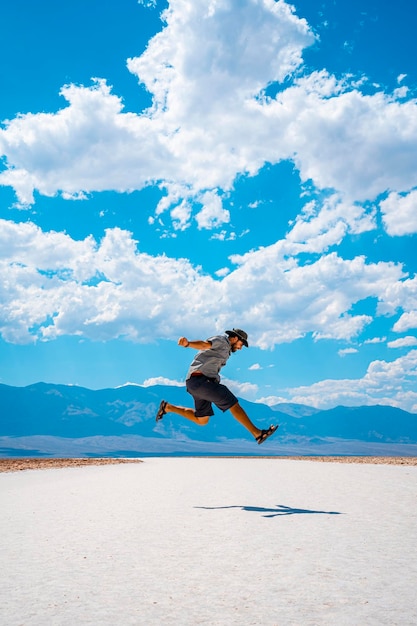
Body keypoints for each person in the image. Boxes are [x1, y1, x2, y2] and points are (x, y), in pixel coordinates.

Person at [156, 328, 278, 445]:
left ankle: (168, 407)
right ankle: (257, 434)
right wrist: (188, 344)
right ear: (235, 338)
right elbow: (205, 345)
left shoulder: (226, 351)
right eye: (241, 343)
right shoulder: (222, 341)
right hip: (201, 381)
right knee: (233, 403)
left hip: (195, 383)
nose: (240, 348)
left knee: (202, 419)